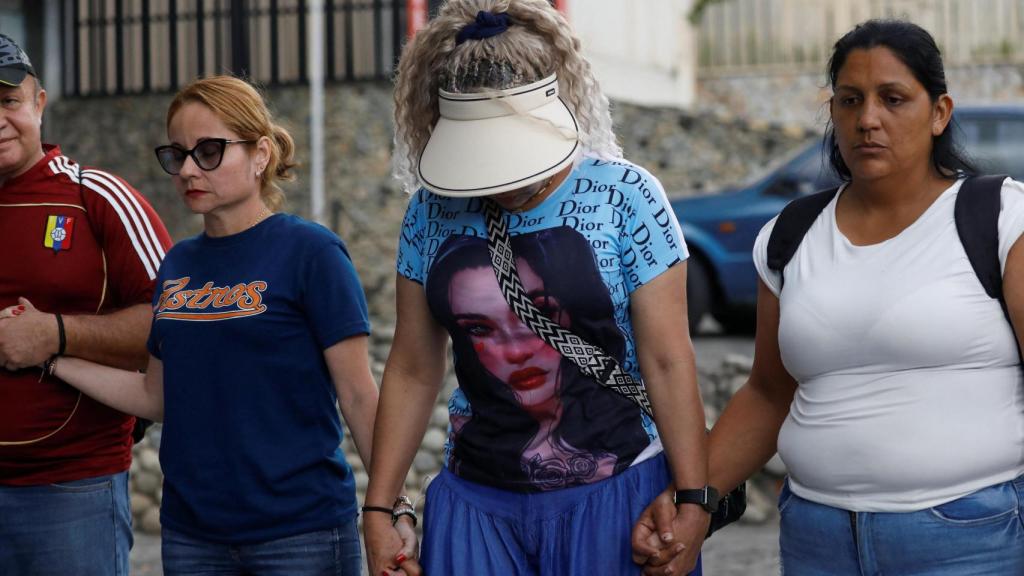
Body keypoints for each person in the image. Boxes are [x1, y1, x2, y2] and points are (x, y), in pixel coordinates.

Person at [635, 19, 1024, 576]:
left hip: (970, 538)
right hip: (819, 540)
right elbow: (769, 393)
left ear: (940, 112)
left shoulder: (1000, 218)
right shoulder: (790, 235)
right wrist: (694, 502)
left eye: (894, 99)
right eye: (849, 100)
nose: (868, 119)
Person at [363, 1, 710, 575]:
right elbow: (411, 366)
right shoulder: (430, 212)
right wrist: (380, 506)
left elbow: (669, 359)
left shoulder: (626, 195)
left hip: (618, 495)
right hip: (477, 506)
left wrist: (697, 497)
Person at [27, 75, 410, 576]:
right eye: (177, 155)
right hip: (192, 538)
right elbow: (155, 396)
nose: (188, 169)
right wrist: (53, 358)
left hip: (300, 535)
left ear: (260, 154)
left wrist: (390, 508)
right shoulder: (177, 265)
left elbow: (359, 396)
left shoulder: (312, 253)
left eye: (209, 151)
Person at [0, 33, 173, 575]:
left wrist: (55, 335)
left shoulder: (95, 198)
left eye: (8, 102)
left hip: (70, 490)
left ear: (39, 103)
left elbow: (172, 317)